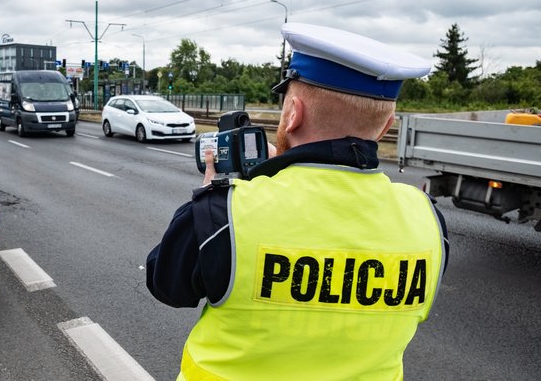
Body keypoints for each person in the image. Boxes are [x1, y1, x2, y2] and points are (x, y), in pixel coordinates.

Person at [146, 22, 449, 381]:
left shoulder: (226, 213)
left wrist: (211, 198)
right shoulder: (428, 221)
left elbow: (167, 285)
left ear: (293, 115)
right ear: (386, 128)